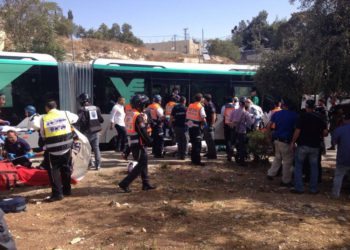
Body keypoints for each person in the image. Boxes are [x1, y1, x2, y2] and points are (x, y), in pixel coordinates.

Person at [40, 100, 78, 202]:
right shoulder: (66, 113)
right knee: (66, 168)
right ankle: (67, 190)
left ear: (46, 108)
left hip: (53, 150)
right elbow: (76, 118)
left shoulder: (44, 118)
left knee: (54, 172)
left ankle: (57, 194)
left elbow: (43, 135)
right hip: (66, 147)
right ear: (56, 106)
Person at [118, 94, 155, 193]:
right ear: (140, 105)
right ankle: (125, 183)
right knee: (141, 164)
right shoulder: (137, 116)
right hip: (139, 144)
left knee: (144, 163)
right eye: (144, 105)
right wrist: (150, 141)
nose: (145, 107)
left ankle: (146, 184)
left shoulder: (129, 114)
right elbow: (142, 131)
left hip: (133, 143)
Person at [290, 100, 328, 194]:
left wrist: (293, 142)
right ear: (314, 107)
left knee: (298, 166)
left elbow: (297, 131)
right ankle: (313, 189)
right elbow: (325, 133)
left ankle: (299, 188)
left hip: (303, 145)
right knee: (314, 167)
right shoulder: (320, 117)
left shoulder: (302, 117)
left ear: (306, 107)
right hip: (315, 146)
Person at [266, 101, 298, 186]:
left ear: (284, 106)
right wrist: (293, 141)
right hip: (286, 141)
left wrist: (269, 137)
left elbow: (269, 125)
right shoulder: (294, 115)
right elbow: (296, 129)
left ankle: (271, 173)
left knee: (278, 157)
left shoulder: (277, 113)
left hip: (276, 139)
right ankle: (285, 180)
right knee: (287, 161)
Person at [76, 93, 104, 170]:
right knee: (96, 148)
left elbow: (78, 121)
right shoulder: (96, 108)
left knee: (86, 149)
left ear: (82, 101)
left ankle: (89, 163)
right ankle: (98, 165)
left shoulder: (82, 109)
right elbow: (101, 120)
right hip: (96, 131)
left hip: (86, 132)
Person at [229, 97, 254, 166]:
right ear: (245, 104)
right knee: (242, 146)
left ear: (239, 103)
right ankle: (241, 161)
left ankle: (230, 156)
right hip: (242, 131)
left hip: (234, 130)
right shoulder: (246, 113)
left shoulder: (234, 111)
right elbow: (251, 122)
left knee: (233, 144)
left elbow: (230, 120)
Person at [331, 112, 350, 198]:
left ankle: (335, 194)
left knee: (339, 176)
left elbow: (334, 142)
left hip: (343, 156)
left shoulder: (339, 129)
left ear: (345, 120)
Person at [186, 93, 206, 166]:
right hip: (197, 128)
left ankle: (193, 160)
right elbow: (203, 118)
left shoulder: (190, 105)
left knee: (193, 144)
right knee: (198, 145)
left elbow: (187, 116)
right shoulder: (200, 107)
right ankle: (197, 161)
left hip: (190, 127)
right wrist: (205, 125)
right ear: (200, 99)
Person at [221, 96, 236, 162]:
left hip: (226, 124)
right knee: (232, 139)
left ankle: (228, 154)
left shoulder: (224, 107)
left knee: (227, 139)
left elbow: (222, 115)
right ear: (233, 101)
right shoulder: (236, 106)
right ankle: (232, 153)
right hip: (233, 125)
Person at [203, 94, 217, 159]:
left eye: (204, 98)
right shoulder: (206, 105)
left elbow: (213, 115)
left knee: (211, 140)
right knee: (207, 140)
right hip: (206, 125)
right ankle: (209, 153)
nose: (203, 99)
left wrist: (212, 124)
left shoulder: (211, 105)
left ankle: (213, 155)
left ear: (206, 99)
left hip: (209, 125)